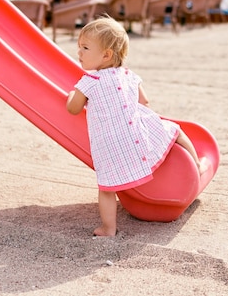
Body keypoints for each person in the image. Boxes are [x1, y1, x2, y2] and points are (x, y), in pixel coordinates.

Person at [67, 16, 208, 237]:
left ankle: (108, 228)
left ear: (106, 55)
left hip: (109, 149)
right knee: (174, 129)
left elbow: (73, 109)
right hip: (136, 141)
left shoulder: (89, 82)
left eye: (85, 47)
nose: (79, 52)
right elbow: (144, 102)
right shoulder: (128, 75)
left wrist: (70, 96)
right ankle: (197, 163)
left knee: (106, 189)